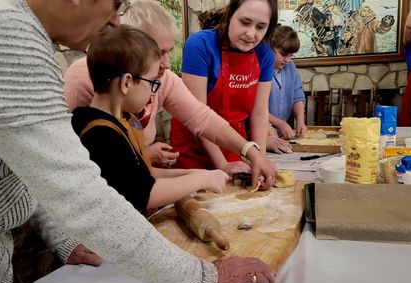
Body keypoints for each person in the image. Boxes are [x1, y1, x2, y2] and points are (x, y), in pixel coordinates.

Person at [0, 0, 277, 283]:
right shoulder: (1, 32)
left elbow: (27, 164)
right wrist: (203, 280)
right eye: (116, 5)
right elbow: (74, 186)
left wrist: (248, 149)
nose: (114, 22)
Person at [63, 0, 275, 189]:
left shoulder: (165, 79)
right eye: (157, 53)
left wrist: (251, 151)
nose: (166, 64)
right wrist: (148, 155)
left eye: (169, 51)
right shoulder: (83, 80)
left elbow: (201, 117)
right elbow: (74, 158)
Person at [72, 25, 229, 213]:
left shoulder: (125, 119)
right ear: (126, 83)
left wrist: (192, 173)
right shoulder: (100, 134)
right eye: (153, 82)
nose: (153, 91)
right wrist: (202, 180)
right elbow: (144, 193)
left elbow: (143, 174)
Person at [169, 0, 278, 182]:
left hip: (234, 146)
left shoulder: (265, 54)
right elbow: (198, 114)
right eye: (244, 22)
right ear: (230, 15)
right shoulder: (200, 45)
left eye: (261, 27)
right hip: (194, 149)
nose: (251, 34)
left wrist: (258, 158)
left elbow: (259, 113)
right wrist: (222, 164)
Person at [267, 25, 306, 154]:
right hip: (261, 132)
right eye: (283, 54)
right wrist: (280, 123)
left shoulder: (291, 67)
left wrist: (300, 119)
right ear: (270, 47)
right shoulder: (260, 67)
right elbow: (254, 107)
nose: (288, 60)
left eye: (291, 55)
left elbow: (297, 94)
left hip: (280, 135)